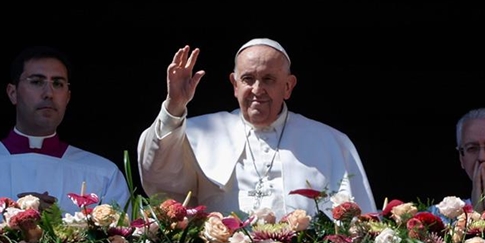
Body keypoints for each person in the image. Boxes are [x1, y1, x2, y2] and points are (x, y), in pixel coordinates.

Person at [137, 38, 376, 217]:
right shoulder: (196, 134)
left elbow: (358, 223)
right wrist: (174, 106)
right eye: (248, 79)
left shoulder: (330, 141)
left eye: (268, 79)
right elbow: (158, 176)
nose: (257, 89)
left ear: (288, 86)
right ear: (235, 84)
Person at [0, 45, 130, 215]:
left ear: (67, 97)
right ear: (13, 93)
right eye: (37, 82)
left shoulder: (103, 173)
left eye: (58, 83)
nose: (49, 93)